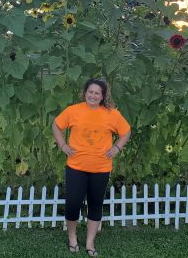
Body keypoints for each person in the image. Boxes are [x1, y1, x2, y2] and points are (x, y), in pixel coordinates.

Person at [52, 78, 131, 256]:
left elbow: (126, 131)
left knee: (95, 205)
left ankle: (90, 242)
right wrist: (63, 145)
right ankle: (72, 238)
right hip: (76, 166)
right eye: (90, 92)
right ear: (85, 93)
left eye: (97, 93)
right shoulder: (73, 111)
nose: (93, 96)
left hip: (101, 168)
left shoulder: (112, 114)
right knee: (73, 204)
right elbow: (56, 125)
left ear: (102, 96)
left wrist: (117, 147)